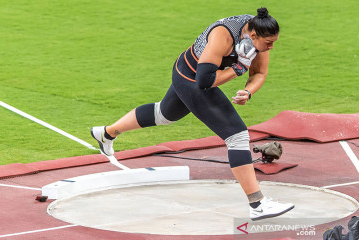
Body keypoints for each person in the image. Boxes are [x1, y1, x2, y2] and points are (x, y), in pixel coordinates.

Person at [91, 7, 294, 221]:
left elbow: (260, 72)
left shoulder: (258, 35)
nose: (271, 47)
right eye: (268, 43)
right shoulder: (223, 36)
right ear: (253, 35)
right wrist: (238, 68)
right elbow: (204, 81)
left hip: (192, 74)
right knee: (237, 135)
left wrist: (248, 91)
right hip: (191, 78)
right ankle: (258, 204)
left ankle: (106, 133)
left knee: (164, 114)